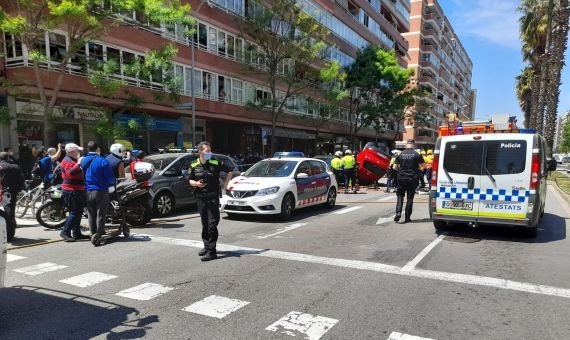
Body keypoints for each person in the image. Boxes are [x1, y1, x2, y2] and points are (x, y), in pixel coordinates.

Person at [189, 141, 233, 262]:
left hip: (213, 197)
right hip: (200, 198)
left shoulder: (215, 162)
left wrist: (226, 183)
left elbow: (230, 169)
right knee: (205, 223)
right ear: (200, 152)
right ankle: (206, 246)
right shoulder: (193, 165)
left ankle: (211, 252)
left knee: (212, 223)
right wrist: (196, 184)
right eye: (207, 151)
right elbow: (190, 180)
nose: (210, 152)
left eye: (210, 150)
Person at [81, 141, 116, 240]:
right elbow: (110, 178)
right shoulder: (102, 161)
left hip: (88, 189)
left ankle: (93, 232)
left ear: (88, 149)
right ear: (98, 149)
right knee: (101, 212)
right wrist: (114, 182)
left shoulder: (84, 160)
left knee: (91, 212)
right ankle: (100, 232)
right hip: (100, 189)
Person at [59, 143, 89, 242]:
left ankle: (76, 233)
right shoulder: (67, 160)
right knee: (75, 212)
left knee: (78, 212)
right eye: (77, 151)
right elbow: (70, 173)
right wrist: (79, 163)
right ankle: (65, 232)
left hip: (76, 189)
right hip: (71, 190)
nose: (78, 153)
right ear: (72, 151)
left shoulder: (72, 160)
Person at [393, 140, 425, 223]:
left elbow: (394, 167)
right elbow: (423, 166)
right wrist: (418, 171)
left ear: (406, 145)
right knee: (410, 198)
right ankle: (407, 218)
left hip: (401, 178)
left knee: (400, 196)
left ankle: (398, 213)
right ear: (413, 145)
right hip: (412, 178)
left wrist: (401, 171)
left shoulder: (400, 154)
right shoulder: (417, 154)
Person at [0, 152, 25, 234]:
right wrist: (19, 189)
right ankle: (10, 228)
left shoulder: (1, 166)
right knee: (10, 210)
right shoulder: (15, 166)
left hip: (3, 190)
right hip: (11, 191)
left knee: (7, 210)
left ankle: (9, 227)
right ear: (8, 158)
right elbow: (21, 179)